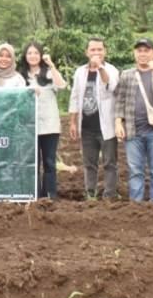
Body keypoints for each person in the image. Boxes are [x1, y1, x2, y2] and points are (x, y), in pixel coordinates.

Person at [115, 38, 153, 203]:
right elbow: (120, 100)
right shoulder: (127, 74)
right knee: (135, 170)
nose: (142, 54)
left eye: (146, 51)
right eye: (139, 51)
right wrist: (118, 123)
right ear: (134, 53)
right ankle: (136, 205)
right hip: (133, 130)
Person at [68, 37, 119, 199]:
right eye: (93, 49)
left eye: (99, 49)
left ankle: (110, 195)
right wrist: (73, 122)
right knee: (89, 163)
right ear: (87, 52)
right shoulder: (80, 72)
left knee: (110, 163)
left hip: (106, 126)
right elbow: (75, 97)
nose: (96, 52)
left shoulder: (111, 70)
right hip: (87, 126)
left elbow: (110, 86)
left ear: (105, 52)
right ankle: (90, 193)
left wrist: (100, 68)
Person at [20, 41, 67, 199]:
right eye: (29, 53)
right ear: (25, 56)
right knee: (33, 163)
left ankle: (50, 195)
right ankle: (34, 194)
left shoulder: (48, 73)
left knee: (49, 162)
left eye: (36, 53)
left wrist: (51, 65)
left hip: (49, 125)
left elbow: (62, 85)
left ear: (41, 55)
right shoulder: (21, 75)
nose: (33, 56)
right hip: (29, 125)